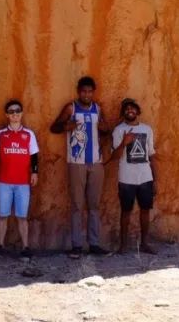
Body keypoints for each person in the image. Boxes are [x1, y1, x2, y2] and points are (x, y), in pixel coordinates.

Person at [50, 76, 112, 257]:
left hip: (96, 162)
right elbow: (54, 127)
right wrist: (66, 127)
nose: (87, 94)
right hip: (76, 163)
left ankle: (94, 244)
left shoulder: (98, 109)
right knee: (77, 205)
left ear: (93, 92)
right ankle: (76, 245)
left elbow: (106, 131)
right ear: (79, 92)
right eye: (84, 91)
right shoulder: (71, 108)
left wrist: (104, 129)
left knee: (94, 205)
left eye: (90, 91)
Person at [0, 99, 39, 258]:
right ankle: (0, 246)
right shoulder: (1, 134)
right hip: (4, 182)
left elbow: (34, 155)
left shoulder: (29, 134)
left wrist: (35, 172)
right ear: (7, 115)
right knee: (3, 215)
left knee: (22, 216)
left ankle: (25, 247)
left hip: (22, 182)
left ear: (21, 113)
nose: (15, 114)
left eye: (17, 111)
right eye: (11, 112)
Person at [108, 98, 157, 254]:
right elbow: (114, 156)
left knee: (145, 210)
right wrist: (124, 143)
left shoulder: (147, 130)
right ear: (123, 113)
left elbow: (151, 155)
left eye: (133, 108)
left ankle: (144, 243)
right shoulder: (118, 130)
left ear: (138, 111)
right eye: (127, 109)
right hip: (126, 178)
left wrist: (155, 179)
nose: (130, 110)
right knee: (126, 211)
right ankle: (123, 245)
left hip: (145, 177)